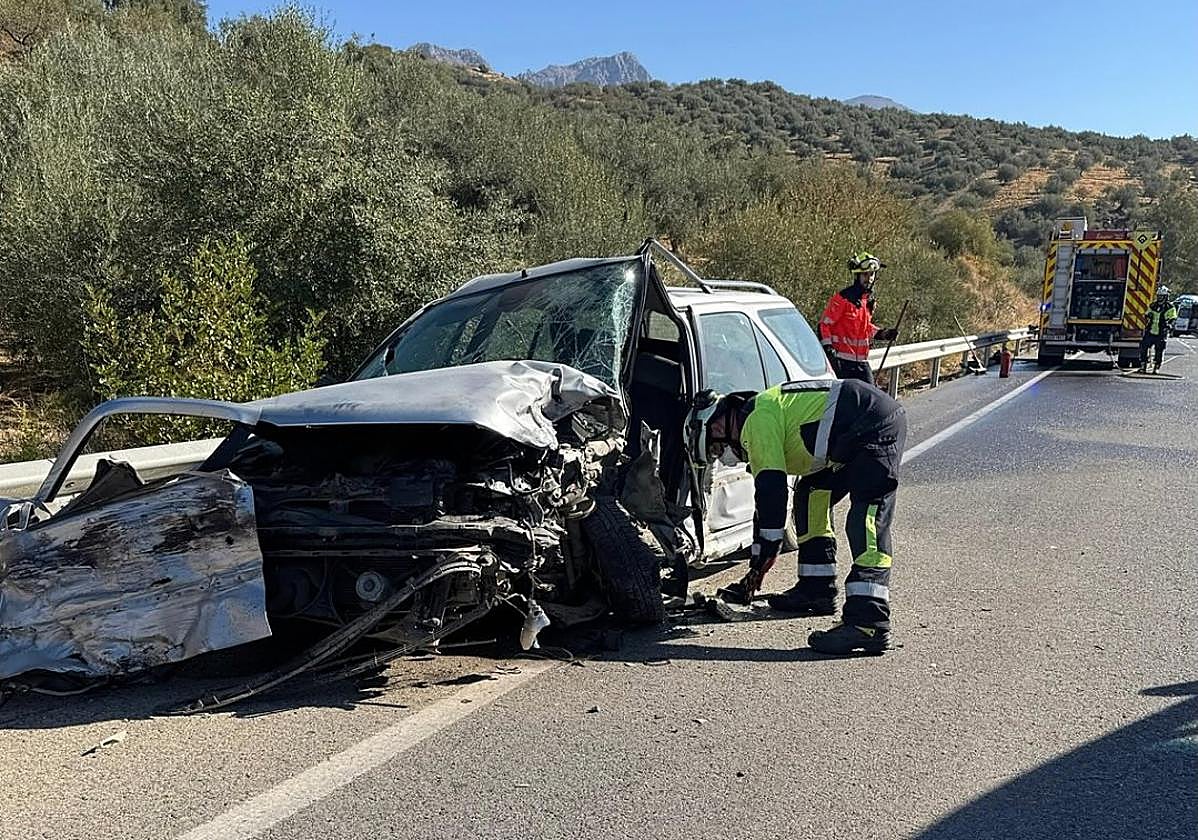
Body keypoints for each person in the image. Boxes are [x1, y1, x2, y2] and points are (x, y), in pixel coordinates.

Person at [702, 378, 906, 655]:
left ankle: (868, 622)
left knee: (865, 519)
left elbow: (772, 492)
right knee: (811, 493)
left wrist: (765, 557)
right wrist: (758, 560)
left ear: (722, 420)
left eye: (717, 445)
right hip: (850, 434)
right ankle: (816, 589)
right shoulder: (762, 415)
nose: (725, 453)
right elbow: (765, 509)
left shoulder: (756, 421)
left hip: (873, 424)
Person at [818, 252, 898, 385]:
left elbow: (865, 328)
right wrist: (829, 349)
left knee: (870, 397)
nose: (869, 278)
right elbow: (823, 325)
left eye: (872, 274)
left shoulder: (866, 301)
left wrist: (884, 334)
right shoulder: (843, 299)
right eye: (865, 274)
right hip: (842, 363)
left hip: (861, 362)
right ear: (857, 275)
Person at [1139, 287, 1178, 374]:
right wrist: (1147, 316)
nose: (1159, 298)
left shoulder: (1170, 307)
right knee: (1143, 347)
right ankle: (1143, 365)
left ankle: (1156, 367)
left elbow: (1173, 318)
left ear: (1166, 297)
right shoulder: (1153, 305)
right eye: (1159, 296)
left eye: (1162, 296)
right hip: (1150, 331)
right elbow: (1147, 314)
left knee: (1159, 350)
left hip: (1161, 332)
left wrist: (1170, 325)